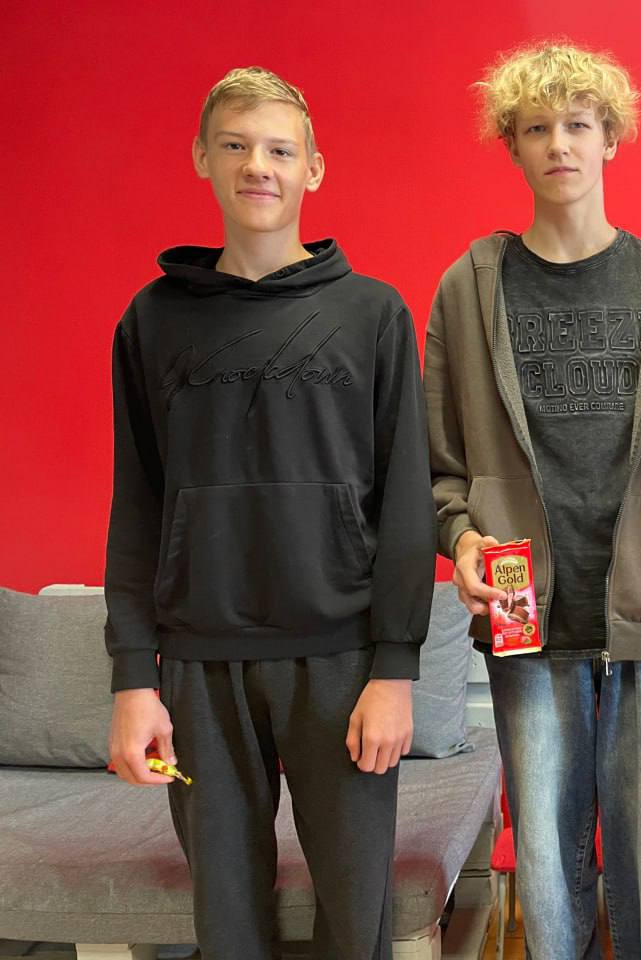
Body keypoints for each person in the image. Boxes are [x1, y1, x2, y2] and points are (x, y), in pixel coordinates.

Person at [424, 41, 641, 959]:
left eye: (577, 124)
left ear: (611, 138)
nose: (558, 144)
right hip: (527, 616)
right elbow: (438, 467)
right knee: (545, 865)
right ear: (512, 146)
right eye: (537, 128)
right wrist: (461, 539)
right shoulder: (469, 287)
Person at [104, 66, 435, 960]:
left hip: (342, 662)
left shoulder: (373, 314)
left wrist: (395, 668)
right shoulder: (151, 322)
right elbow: (137, 505)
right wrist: (133, 679)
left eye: (280, 150)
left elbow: (406, 502)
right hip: (199, 666)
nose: (259, 165)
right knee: (228, 925)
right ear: (202, 158)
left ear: (313, 168)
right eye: (237, 145)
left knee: (355, 921)